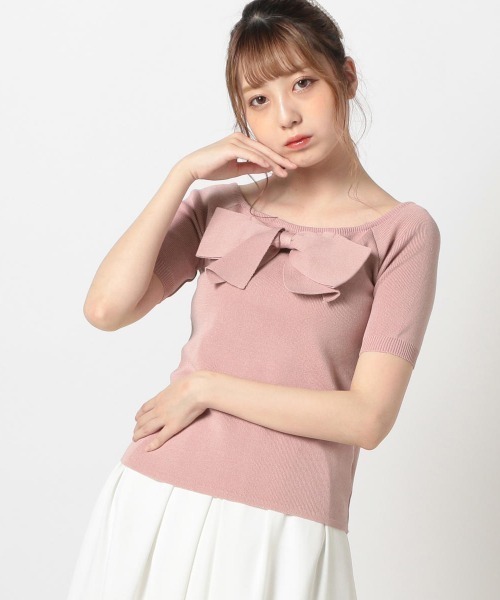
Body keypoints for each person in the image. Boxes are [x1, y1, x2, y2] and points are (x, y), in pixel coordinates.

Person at [67, 1, 441, 598]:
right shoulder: (219, 206)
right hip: (157, 498)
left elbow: (367, 418)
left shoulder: (402, 231)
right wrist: (182, 175)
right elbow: (106, 309)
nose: (286, 115)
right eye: (258, 99)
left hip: (286, 525)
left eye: (303, 83)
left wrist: (206, 388)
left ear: (346, 77)